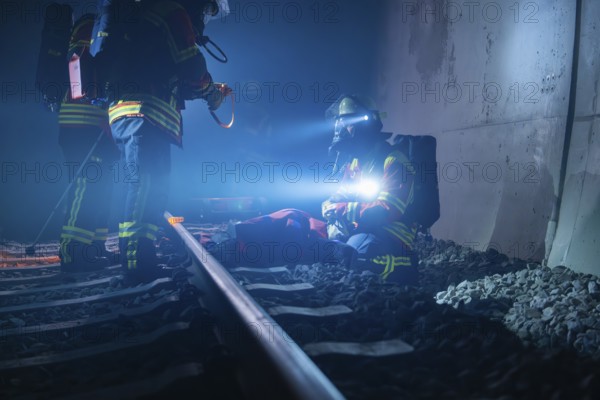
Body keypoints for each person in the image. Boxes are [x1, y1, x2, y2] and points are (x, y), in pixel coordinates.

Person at [101, 0, 229, 283]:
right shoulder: (171, 12)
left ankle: (138, 255)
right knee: (145, 184)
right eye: (207, 10)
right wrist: (210, 92)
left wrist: (205, 90)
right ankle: (136, 260)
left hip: (132, 112)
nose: (206, 18)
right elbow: (192, 69)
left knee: (146, 186)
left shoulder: (147, 15)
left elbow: (173, 73)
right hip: (147, 112)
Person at [322, 95, 419, 285]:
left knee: (356, 257)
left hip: (390, 232)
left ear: (365, 125)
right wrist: (329, 205)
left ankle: (405, 265)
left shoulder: (393, 161)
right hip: (360, 227)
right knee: (301, 225)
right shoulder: (355, 162)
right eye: (341, 122)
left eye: (348, 122)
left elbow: (386, 210)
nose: (342, 129)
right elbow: (340, 196)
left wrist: (342, 209)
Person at [58, 13, 118, 272]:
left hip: (99, 123)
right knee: (85, 185)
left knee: (102, 188)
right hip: (80, 122)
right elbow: (76, 61)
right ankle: (72, 251)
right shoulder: (90, 21)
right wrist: (89, 95)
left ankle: (94, 248)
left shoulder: (114, 24)